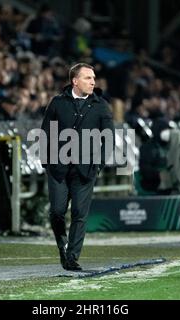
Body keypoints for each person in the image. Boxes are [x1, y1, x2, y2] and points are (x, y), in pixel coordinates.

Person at [41, 63, 114, 271]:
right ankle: (62, 245)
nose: (93, 81)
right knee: (56, 212)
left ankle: (71, 257)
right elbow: (45, 133)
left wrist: (98, 164)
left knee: (80, 214)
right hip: (58, 168)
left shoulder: (101, 105)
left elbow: (108, 139)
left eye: (93, 78)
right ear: (75, 81)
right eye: (88, 78)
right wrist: (47, 162)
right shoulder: (57, 103)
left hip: (86, 169)